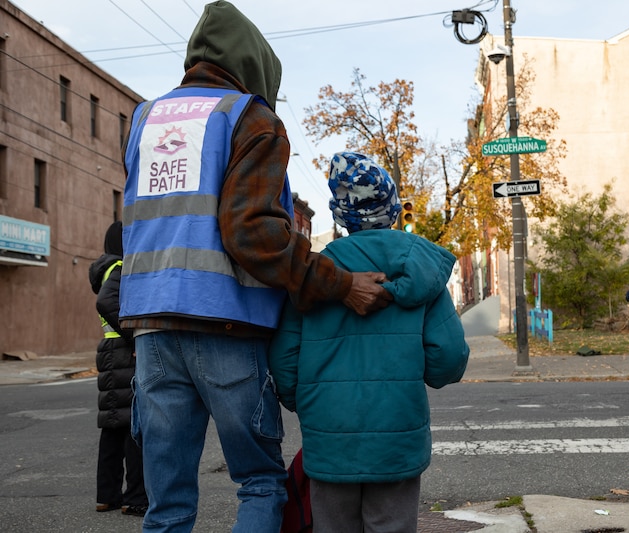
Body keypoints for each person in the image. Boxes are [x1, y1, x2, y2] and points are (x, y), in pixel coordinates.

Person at [118, 3, 392, 531]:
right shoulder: (249, 116)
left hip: (151, 327)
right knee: (260, 483)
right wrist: (340, 285)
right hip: (226, 325)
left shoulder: (144, 118)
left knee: (167, 503)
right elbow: (253, 233)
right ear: (256, 64)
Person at [268, 152, 470, 533]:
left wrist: (312, 403)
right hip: (397, 435)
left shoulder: (315, 276)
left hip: (330, 435)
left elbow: (284, 361)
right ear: (394, 209)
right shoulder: (421, 273)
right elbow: (450, 359)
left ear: (341, 217)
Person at [87, 221, 148, 517]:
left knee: (113, 426)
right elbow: (106, 302)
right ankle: (135, 498)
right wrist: (133, 334)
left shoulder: (106, 269)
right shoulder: (121, 267)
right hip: (124, 353)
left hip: (111, 352)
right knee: (133, 428)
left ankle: (107, 496)